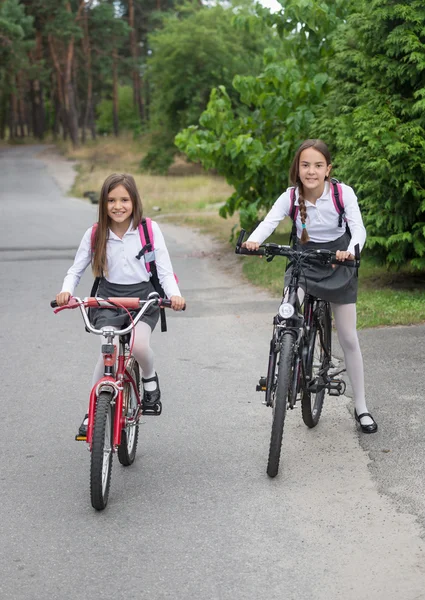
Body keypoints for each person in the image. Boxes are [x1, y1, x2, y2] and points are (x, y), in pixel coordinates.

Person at [243, 139, 377, 433]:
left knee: (348, 337)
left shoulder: (343, 194)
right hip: (303, 259)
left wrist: (351, 250)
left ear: (328, 169)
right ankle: (286, 359)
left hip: (337, 260)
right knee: (286, 314)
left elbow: (358, 229)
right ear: (297, 168)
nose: (311, 171)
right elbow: (269, 222)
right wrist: (254, 240)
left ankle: (362, 407)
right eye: (305, 165)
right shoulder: (291, 197)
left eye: (318, 165)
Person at [56, 173, 185, 436]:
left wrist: (174, 295)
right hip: (107, 298)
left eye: (124, 199)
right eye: (111, 200)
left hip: (143, 297)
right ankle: (92, 413)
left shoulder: (149, 230)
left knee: (138, 345)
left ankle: (149, 376)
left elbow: (164, 271)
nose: (118, 206)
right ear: (102, 204)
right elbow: (75, 270)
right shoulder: (95, 234)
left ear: (134, 201)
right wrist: (66, 291)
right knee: (109, 349)